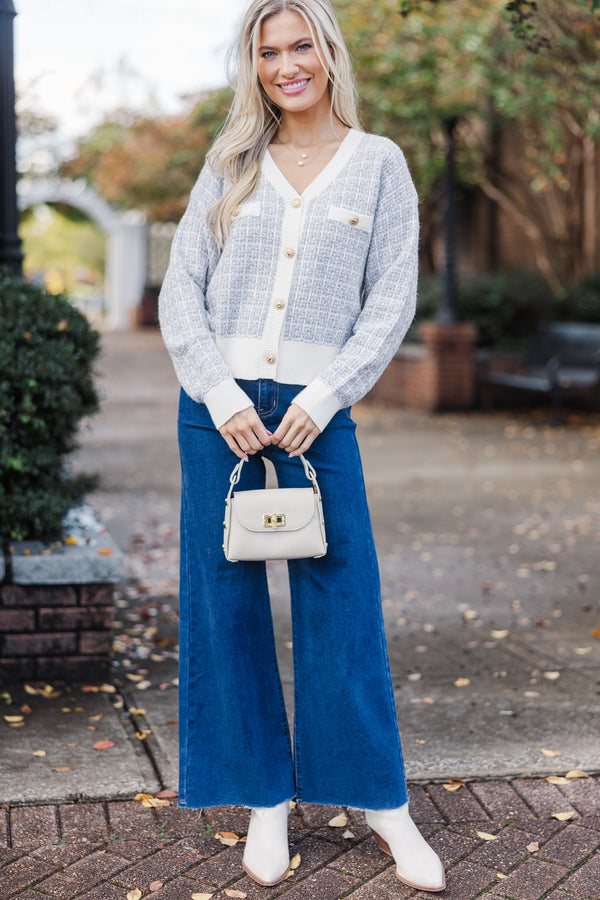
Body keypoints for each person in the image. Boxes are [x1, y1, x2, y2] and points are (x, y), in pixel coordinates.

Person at [159, 0, 445, 892]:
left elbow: (390, 299)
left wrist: (325, 396)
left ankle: (379, 801)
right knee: (226, 602)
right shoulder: (228, 165)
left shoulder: (378, 165)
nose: (287, 65)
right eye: (269, 51)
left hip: (318, 413)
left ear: (328, 52)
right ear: (255, 67)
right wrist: (217, 391)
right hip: (221, 413)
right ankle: (264, 801)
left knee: (341, 597)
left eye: (301, 45)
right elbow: (181, 290)